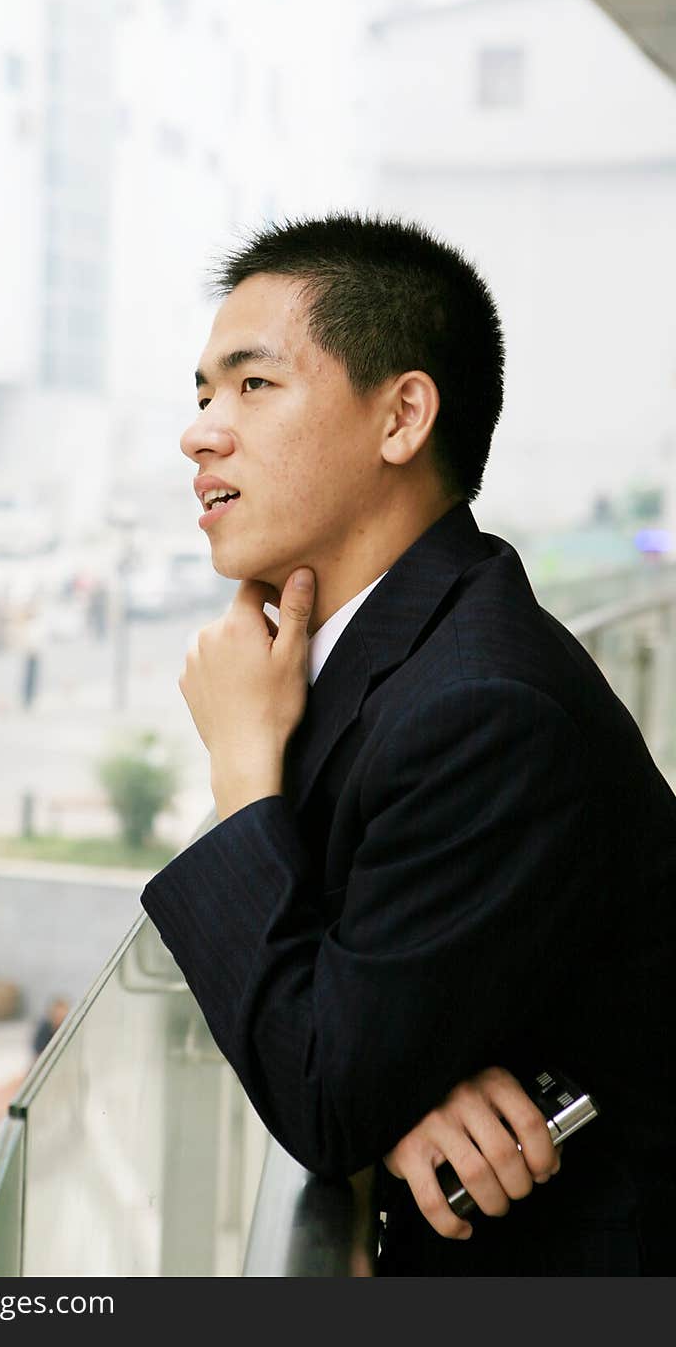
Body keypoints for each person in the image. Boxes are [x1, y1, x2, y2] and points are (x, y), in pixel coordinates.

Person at [138, 214, 676, 1275]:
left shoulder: (482, 705)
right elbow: (347, 1036)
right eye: (201, 393)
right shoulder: (392, 650)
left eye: (252, 385)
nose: (201, 431)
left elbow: (324, 1088)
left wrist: (244, 768)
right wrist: (407, 1080)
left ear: (402, 418)